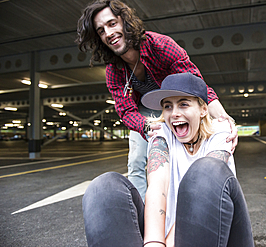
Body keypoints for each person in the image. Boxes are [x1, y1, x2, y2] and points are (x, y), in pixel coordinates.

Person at [76, 0, 238, 202]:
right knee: (136, 161)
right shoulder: (113, 70)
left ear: (125, 22)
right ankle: (145, 212)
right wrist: (146, 128)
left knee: (184, 152)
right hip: (144, 111)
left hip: (172, 104)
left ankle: (195, 201)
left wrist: (225, 120)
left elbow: (196, 85)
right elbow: (125, 110)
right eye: (101, 31)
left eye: (112, 24)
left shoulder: (161, 46)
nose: (108, 33)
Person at [82, 73, 254, 247]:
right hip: (166, 238)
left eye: (184, 104)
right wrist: (154, 243)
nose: (174, 114)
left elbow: (208, 180)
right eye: (168, 106)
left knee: (206, 171)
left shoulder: (221, 130)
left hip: (220, 234)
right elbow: (158, 186)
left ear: (203, 109)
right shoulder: (161, 132)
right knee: (102, 187)